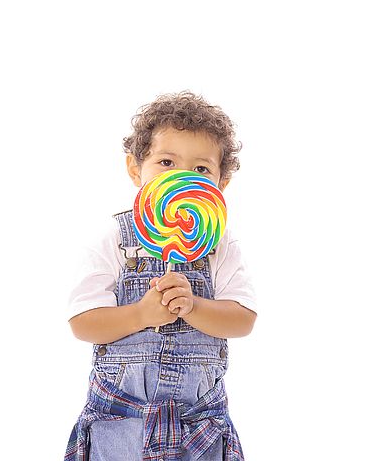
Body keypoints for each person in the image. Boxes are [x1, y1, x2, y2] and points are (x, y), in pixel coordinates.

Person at [64, 91, 257, 460]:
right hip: (121, 421)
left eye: (201, 169)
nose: (182, 177)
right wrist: (141, 314)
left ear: (222, 183)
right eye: (166, 162)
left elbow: (243, 319)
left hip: (197, 426)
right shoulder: (114, 240)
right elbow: (82, 322)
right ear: (136, 170)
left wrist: (194, 306)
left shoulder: (221, 244)